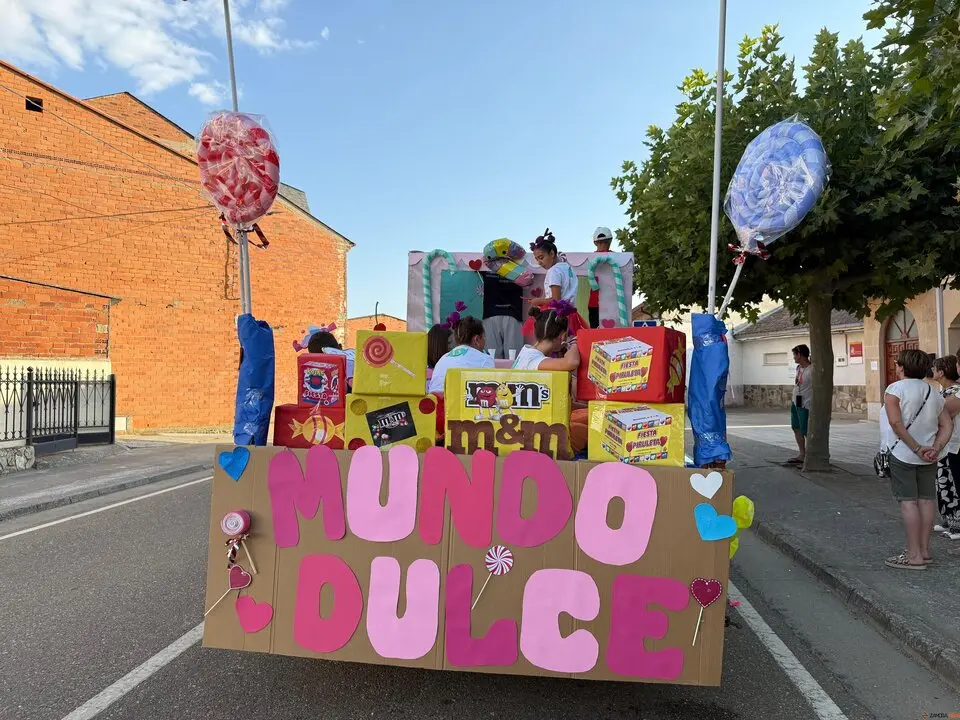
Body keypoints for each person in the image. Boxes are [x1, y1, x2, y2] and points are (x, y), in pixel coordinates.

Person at [882, 349, 953, 570]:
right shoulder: (934, 393)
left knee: (908, 502)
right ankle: (924, 550)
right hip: (929, 456)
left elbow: (896, 423)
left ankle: (913, 555)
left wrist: (916, 447)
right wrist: (935, 448)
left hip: (903, 453)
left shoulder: (894, 390)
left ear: (902, 367)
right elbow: (947, 425)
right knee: (926, 501)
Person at [513, 306, 588, 454]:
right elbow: (571, 362)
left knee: (590, 416)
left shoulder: (526, 353)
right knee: (586, 429)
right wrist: (575, 342)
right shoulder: (533, 359)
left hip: (530, 421)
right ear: (562, 336)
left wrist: (589, 409)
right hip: (530, 429)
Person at [526, 229, 586, 337]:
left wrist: (538, 301)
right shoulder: (568, 268)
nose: (539, 262)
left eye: (541, 257)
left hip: (556, 316)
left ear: (552, 253)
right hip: (571, 315)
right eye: (537, 259)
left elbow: (556, 300)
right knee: (569, 342)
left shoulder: (554, 271)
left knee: (552, 342)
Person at [428, 316, 494, 395]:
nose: (485, 340)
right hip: (459, 402)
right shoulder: (485, 359)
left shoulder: (443, 358)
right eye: (484, 337)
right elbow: (489, 393)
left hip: (435, 401)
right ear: (477, 339)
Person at [932, 355, 960, 540]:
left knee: (952, 484)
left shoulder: (956, 391)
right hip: (945, 445)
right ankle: (948, 520)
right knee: (943, 483)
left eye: (934, 368)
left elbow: (941, 414)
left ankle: (957, 524)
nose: (931, 371)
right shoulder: (944, 391)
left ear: (941, 372)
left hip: (953, 444)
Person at [787, 344, 813, 465]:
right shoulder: (798, 368)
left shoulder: (811, 370)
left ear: (800, 355)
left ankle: (810, 456)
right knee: (796, 427)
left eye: (795, 355)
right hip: (796, 400)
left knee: (805, 429)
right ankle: (802, 453)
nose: (794, 357)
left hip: (806, 403)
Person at [588, 226, 613, 329]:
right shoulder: (616, 257)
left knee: (599, 332)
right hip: (599, 302)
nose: (603, 245)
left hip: (607, 301)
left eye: (605, 242)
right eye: (600, 242)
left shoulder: (589, 258)